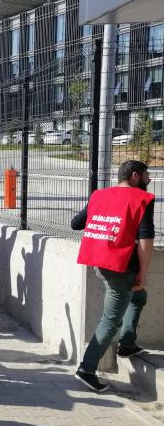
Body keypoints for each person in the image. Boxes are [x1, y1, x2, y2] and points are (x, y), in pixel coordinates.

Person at [72, 160, 154, 393]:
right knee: (111, 320)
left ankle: (127, 344)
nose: (150, 179)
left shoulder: (99, 195)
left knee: (138, 297)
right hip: (122, 267)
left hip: (101, 261)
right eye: (148, 175)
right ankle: (86, 370)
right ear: (136, 176)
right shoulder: (142, 199)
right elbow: (146, 240)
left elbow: (75, 223)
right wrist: (143, 272)